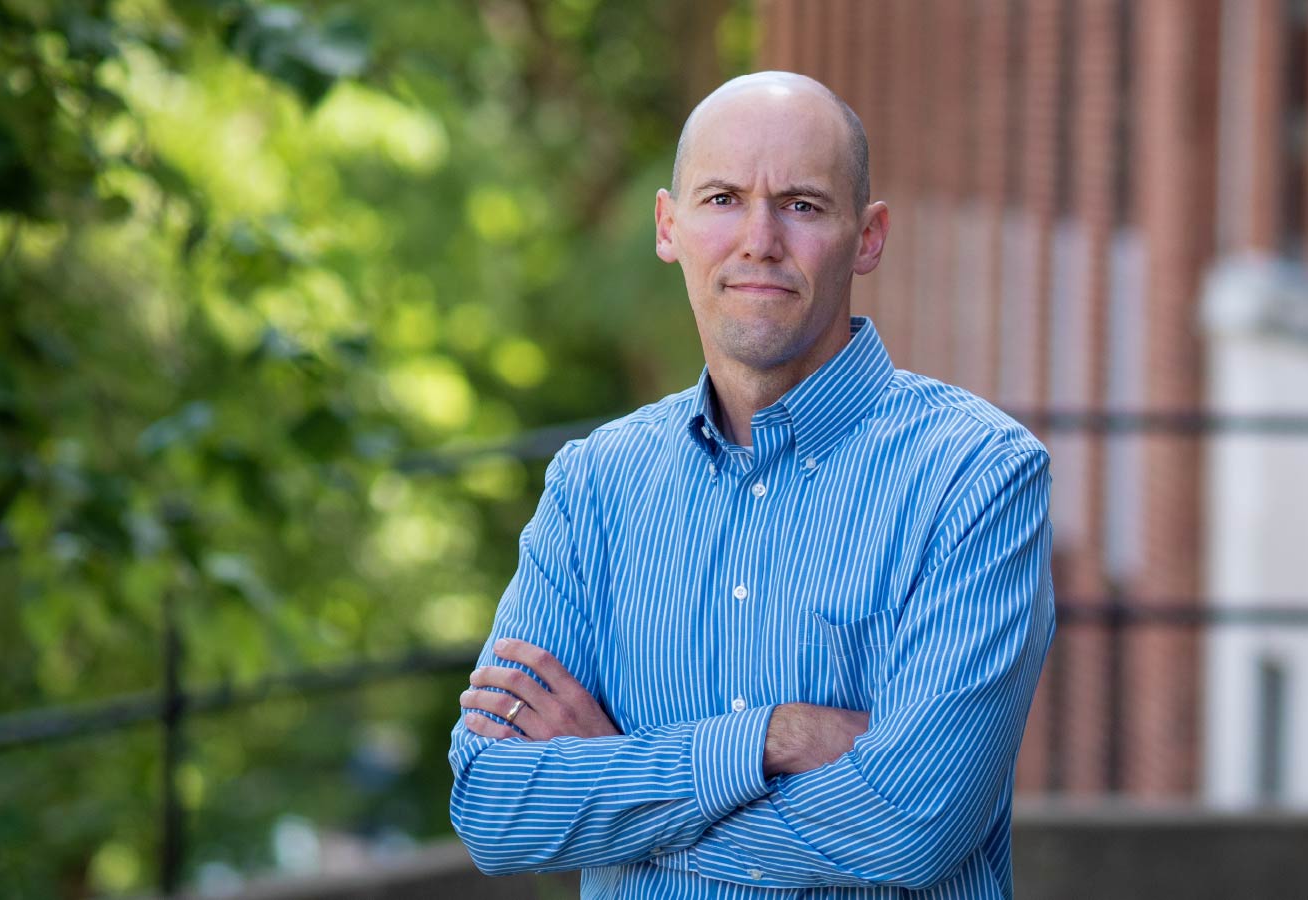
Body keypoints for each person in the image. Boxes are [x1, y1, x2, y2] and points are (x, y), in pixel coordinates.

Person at [449, 70, 1055, 898]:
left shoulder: (975, 478)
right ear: (670, 227)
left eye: (802, 205)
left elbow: (913, 824)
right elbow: (494, 809)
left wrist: (620, 796)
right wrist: (770, 738)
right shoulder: (595, 488)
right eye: (723, 199)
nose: (759, 239)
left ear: (868, 237)